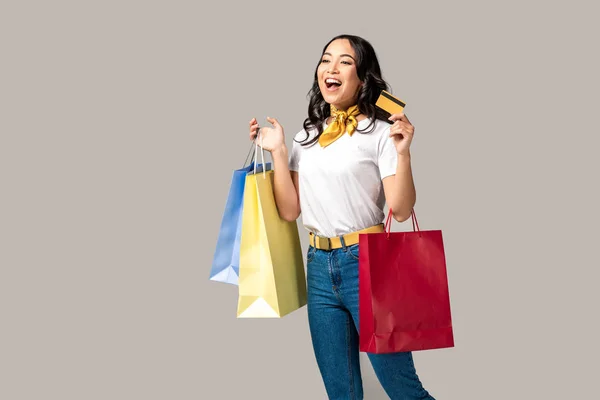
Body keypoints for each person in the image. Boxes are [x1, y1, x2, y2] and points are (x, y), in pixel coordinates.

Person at [248, 34, 434, 400]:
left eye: (345, 62)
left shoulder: (380, 134)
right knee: (341, 392)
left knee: (403, 389)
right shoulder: (306, 136)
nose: (331, 68)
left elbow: (401, 208)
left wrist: (405, 153)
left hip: (368, 261)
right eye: (326, 59)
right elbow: (289, 210)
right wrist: (279, 152)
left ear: (363, 78)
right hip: (318, 265)